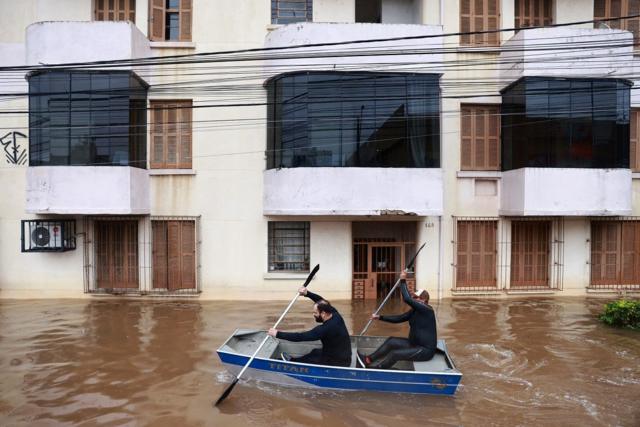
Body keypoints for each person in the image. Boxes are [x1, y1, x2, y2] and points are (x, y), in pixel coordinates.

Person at [358, 271, 437, 369]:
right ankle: (367, 360)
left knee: (395, 354)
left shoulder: (427, 310)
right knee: (391, 341)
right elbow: (399, 318)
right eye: (413, 296)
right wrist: (380, 317)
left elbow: (407, 299)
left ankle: (378, 369)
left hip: (424, 350)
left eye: (415, 297)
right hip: (413, 344)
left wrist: (403, 280)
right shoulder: (414, 311)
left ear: (423, 300)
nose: (413, 298)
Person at [268, 287, 352, 367]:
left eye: (315, 313)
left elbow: (300, 337)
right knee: (315, 352)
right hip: (343, 356)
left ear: (323, 314)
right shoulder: (335, 314)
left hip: (338, 363)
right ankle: (293, 360)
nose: (313, 315)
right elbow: (320, 300)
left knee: (313, 359)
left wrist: (277, 333)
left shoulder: (324, 329)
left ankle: (292, 363)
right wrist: (307, 293)